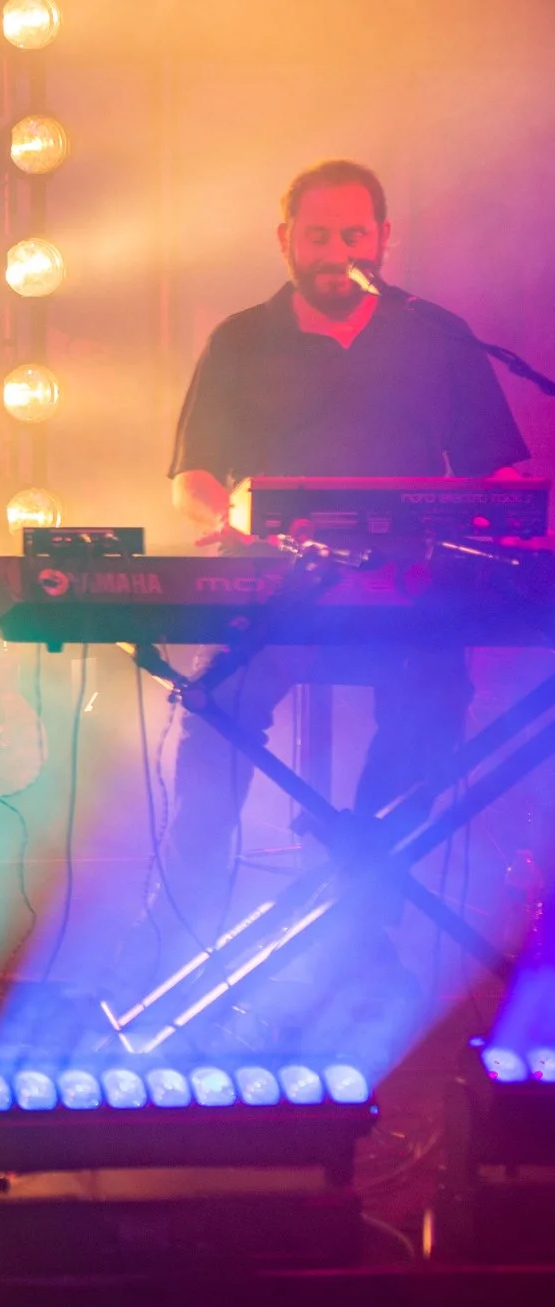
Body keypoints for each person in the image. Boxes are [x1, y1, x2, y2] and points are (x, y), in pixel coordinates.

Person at [155, 158, 529, 953]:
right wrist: (234, 523)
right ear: (285, 239)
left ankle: (362, 897)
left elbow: (496, 470)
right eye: (317, 236)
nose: (336, 252)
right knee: (215, 703)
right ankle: (180, 919)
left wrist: (510, 515)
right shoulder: (242, 338)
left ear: (384, 238)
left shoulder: (436, 333)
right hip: (276, 589)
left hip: (408, 592)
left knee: (436, 696)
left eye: (353, 234)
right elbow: (191, 475)